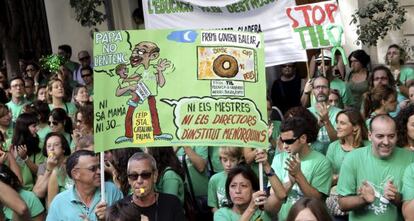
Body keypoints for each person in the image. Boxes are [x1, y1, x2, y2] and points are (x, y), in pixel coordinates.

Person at [337, 114, 414, 221]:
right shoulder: (353, 158)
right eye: (380, 136)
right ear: (369, 135)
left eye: (391, 136)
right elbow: (342, 204)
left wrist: (395, 197)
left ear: (397, 135)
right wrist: (363, 199)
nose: (386, 142)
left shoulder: (410, 158)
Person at [264, 117, 332, 221]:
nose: (285, 146)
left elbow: (316, 200)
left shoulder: (322, 162)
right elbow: (272, 205)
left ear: (303, 138)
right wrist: (290, 182)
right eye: (282, 141)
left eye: (289, 141)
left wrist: (298, 175)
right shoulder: (279, 159)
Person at [47, 150, 123, 221]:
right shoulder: (59, 202)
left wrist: (107, 218)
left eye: (99, 167)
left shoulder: (112, 191)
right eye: (92, 168)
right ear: (75, 174)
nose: (99, 172)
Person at [117, 152, 185, 220]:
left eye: (145, 175)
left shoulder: (172, 203)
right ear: (129, 179)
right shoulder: (120, 208)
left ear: (155, 176)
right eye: (134, 176)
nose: (139, 181)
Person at [325, 109, 368, 218]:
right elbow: (326, 179)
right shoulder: (333, 147)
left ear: (355, 127)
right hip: (338, 205)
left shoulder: (369, 147)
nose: (337, 126)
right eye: (337, 122)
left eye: (342, 123)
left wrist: (339, 177)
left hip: (364, 201)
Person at [33, 132, 71, 202]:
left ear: (63, 148)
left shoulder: (71, 163)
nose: (52, 149)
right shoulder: (43, 166)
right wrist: (49, 169)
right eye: (49, 146)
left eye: (56, 145)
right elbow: (38, 193)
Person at [307, 76, 342, 154]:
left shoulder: (340, 113)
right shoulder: (306, 113)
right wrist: (317, 126)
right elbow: (305, 141)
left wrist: (327, 121)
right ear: (313, 91)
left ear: (329, 91)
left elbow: (339, 142)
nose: (320, 90)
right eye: (317, 87)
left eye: (324, 87)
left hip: (333, 156)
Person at [11, 112, 45, 190]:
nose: (37, 128)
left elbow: (40, 171)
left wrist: (25, 158)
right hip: (13, 188)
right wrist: (12, 157)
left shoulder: (40, 144)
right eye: (34, 126)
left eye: (37, 125)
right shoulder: (9, 144)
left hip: (32, 189)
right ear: (24, 128)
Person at [208, 146, 243, 212]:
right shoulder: (214, 179)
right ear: (220, 160)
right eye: (225, 160)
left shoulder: (244, 178)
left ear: (238, 160)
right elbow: (213, 206)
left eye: (232, 160)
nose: (228, 164)